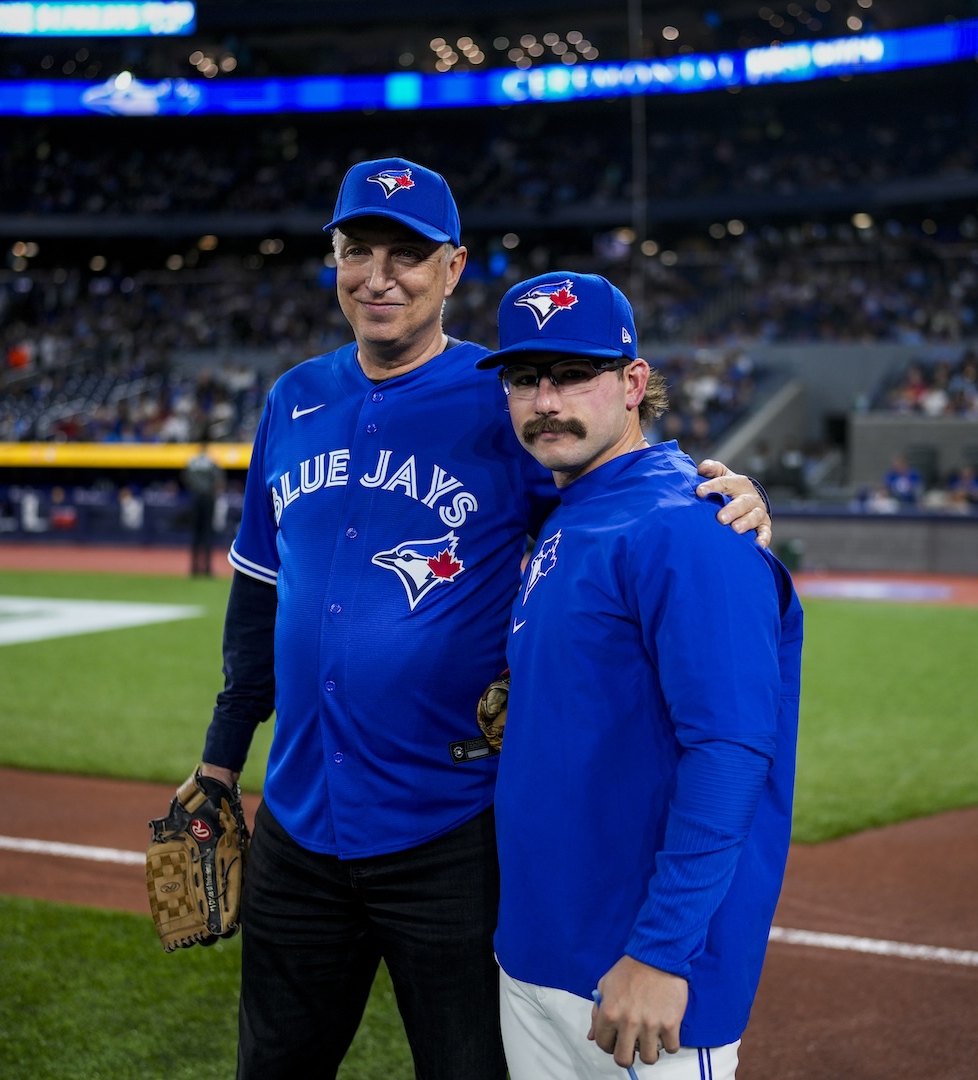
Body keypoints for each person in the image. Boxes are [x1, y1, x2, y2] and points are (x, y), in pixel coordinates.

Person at [194, 159, 773, 1080]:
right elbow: (260, 588)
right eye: (358, 251)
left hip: (450, 829)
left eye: (407, 255)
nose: (379, 275)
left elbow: (613, 486)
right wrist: (222, 757)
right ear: (335, 260)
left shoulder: (498, 396)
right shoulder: (293, 399)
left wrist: (715, 492)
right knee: (270, 1065)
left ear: (453, 269)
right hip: (298, 823)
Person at [475, 271, 803, 1080]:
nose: (546, 399)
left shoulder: (690, 526)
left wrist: (661, 954)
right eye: (525, 379)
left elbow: (730, 751)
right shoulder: (572, 512)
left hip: (642, 980)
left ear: (633, 383)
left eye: (573, 374)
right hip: (537, 952)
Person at [181, 436, 224, 576]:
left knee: (196, 533)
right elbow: (219, 480)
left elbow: (185, 478)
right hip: (208, 498)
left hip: (196, 497)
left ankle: (194, 568)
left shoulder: (192, 461)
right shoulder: (211, 461)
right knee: (207, 533)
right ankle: (206, 568)